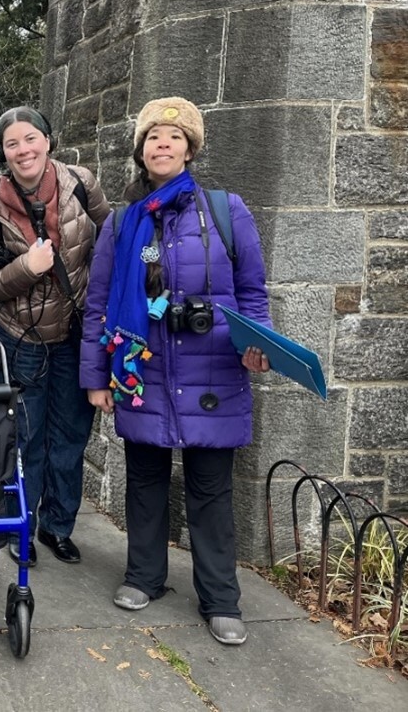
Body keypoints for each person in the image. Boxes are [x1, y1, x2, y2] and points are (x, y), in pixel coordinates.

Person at [79, 97, 271, 646]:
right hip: (144, 370)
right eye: (152, 137)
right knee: (144, 481)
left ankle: (220, 599)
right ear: (140, 152)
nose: (162, 144)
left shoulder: (226, 211)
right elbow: (99, 305)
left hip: (213, 369)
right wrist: (96, 377)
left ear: (190, 148)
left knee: (211, 490)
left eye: (173, 136)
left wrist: (259, 347)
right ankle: (144, 577)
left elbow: (252, 293)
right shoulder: (122, 222)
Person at [0, 106, 110, 567]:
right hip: (20, 337)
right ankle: (18, 526)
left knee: (70, 435)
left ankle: (57, 526)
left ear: (47, 141)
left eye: (30, 139)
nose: (23, 150)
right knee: (23, 438)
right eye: (12, 144)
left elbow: (112, 243)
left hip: (76, 333)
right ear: (2, 153)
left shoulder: (80, 183)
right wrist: (26, 269)